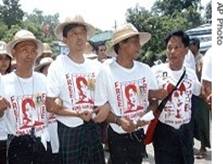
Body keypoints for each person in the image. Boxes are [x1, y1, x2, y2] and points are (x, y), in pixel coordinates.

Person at [94, 23, 158, 164]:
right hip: (118, 134)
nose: (139, 47)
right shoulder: (106, 72)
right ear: (122, 44)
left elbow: (153, 101)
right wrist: (118, 120)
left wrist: (145, 117)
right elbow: (100, 109)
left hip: (139, 133)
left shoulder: (145, 70)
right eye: (135, 42)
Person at [46, 15, 105, 164]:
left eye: (82, 33)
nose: (79, 37)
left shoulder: (95, 67)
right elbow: (50, 105)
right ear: (65, 39)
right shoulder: (58, 66)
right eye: (73, 33)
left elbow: (102, 100)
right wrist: (76, 113)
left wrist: (104, 108)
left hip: (92, 128)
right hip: (69, 128)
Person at [0, 29, 50, 164]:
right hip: (17, 145)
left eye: (33, 50)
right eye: (24, 49)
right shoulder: (3, 82)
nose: (29, 54)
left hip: (42, 142)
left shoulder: (44, 80)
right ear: (14, 52)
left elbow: (52, 107)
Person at [151, 30, 201, 164]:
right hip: (163, 131)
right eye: (169, 48)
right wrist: (155, 94)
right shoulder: (155, 71)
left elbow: (199, 92)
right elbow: (145, 95)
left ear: (186, 50)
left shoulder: (190, 74)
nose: (172, 51)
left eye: (177, 47)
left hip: (185, 131)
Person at [0, 40, 13, 164]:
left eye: (6, 58)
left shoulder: (13, 80)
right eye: (0, 58)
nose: (3, 62)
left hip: (10, 135)